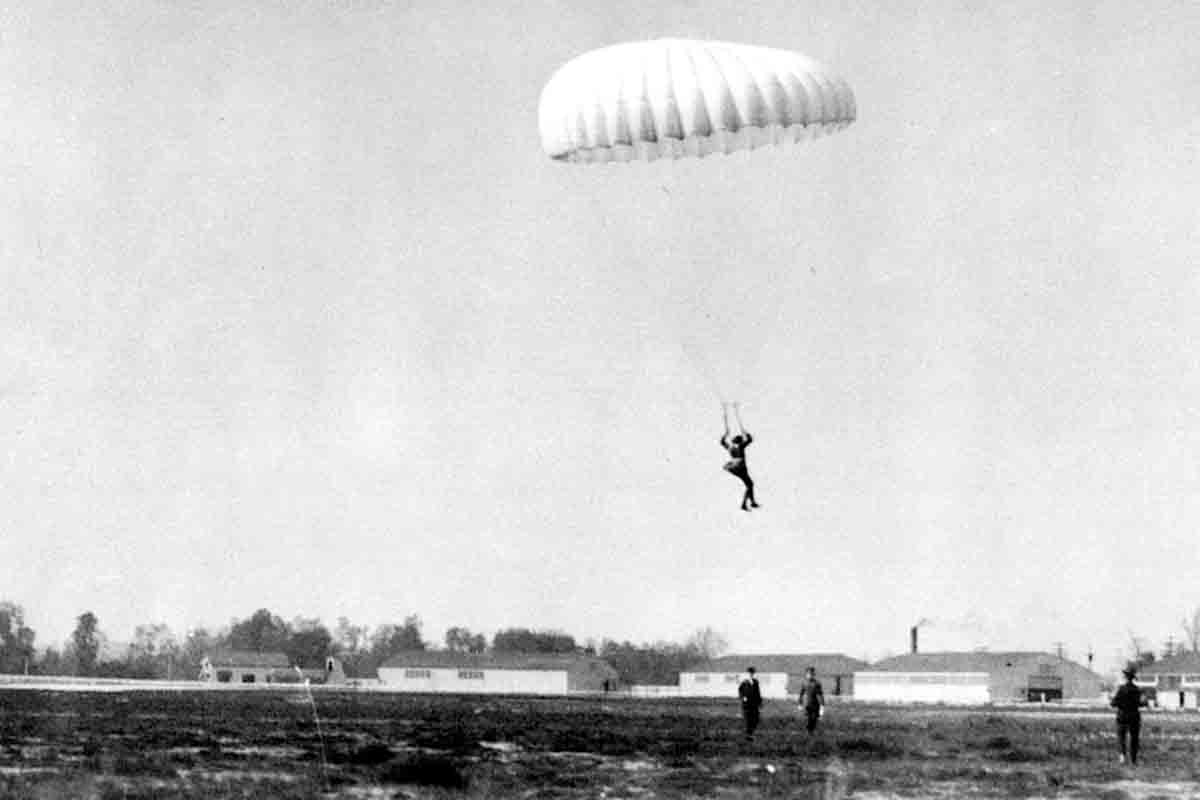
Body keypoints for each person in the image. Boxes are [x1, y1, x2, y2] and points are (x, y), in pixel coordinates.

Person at [720, 402, 759, 511]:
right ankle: (747, 503)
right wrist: (745, 432)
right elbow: (750, 439)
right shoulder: (740, 446)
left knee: (749, 484)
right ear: (739, 440)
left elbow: (722, 442)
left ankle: (751, 503)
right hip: (740, 465)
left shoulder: (730, 447)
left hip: (732, 466)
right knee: (750, 484)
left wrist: (725, 434)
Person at [1111, 665, 1146, 765]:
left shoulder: (1121, 689)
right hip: (1134, 717)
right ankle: (1133, 759)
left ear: (1125, 677)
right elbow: (1141, 703)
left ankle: (1122, 756)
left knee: (1121, 737)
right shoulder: (1137, 690)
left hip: (1122, 716)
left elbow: (1113, 703)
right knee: (1134, 738)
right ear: (1133, 677)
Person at [797, 666, 825, 734]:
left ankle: (811, 733)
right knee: (808, 720)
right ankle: (808, 733)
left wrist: (822, 706)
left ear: (813, 674)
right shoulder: (804, 683)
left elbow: (820, 695)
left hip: (815, 706)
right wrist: (800, 704)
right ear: (806, 674)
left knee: (814, 720)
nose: (810, 675)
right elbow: (801, 694)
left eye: (811, 674)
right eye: (808, 674)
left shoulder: (817, 684)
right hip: (807, 705)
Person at [738, 666, 763, 740]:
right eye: (749, 673)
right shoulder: (744, 682)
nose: (751, 675)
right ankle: (748, 734)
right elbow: (740, 691)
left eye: (752, 673)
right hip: (747, 704)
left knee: (756, 719)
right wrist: (743, 697)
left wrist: (760, 702)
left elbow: (758, 693)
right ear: (747, 674)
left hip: (754, 704)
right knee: (748, 719)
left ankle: (751, 733)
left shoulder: (756, 682)